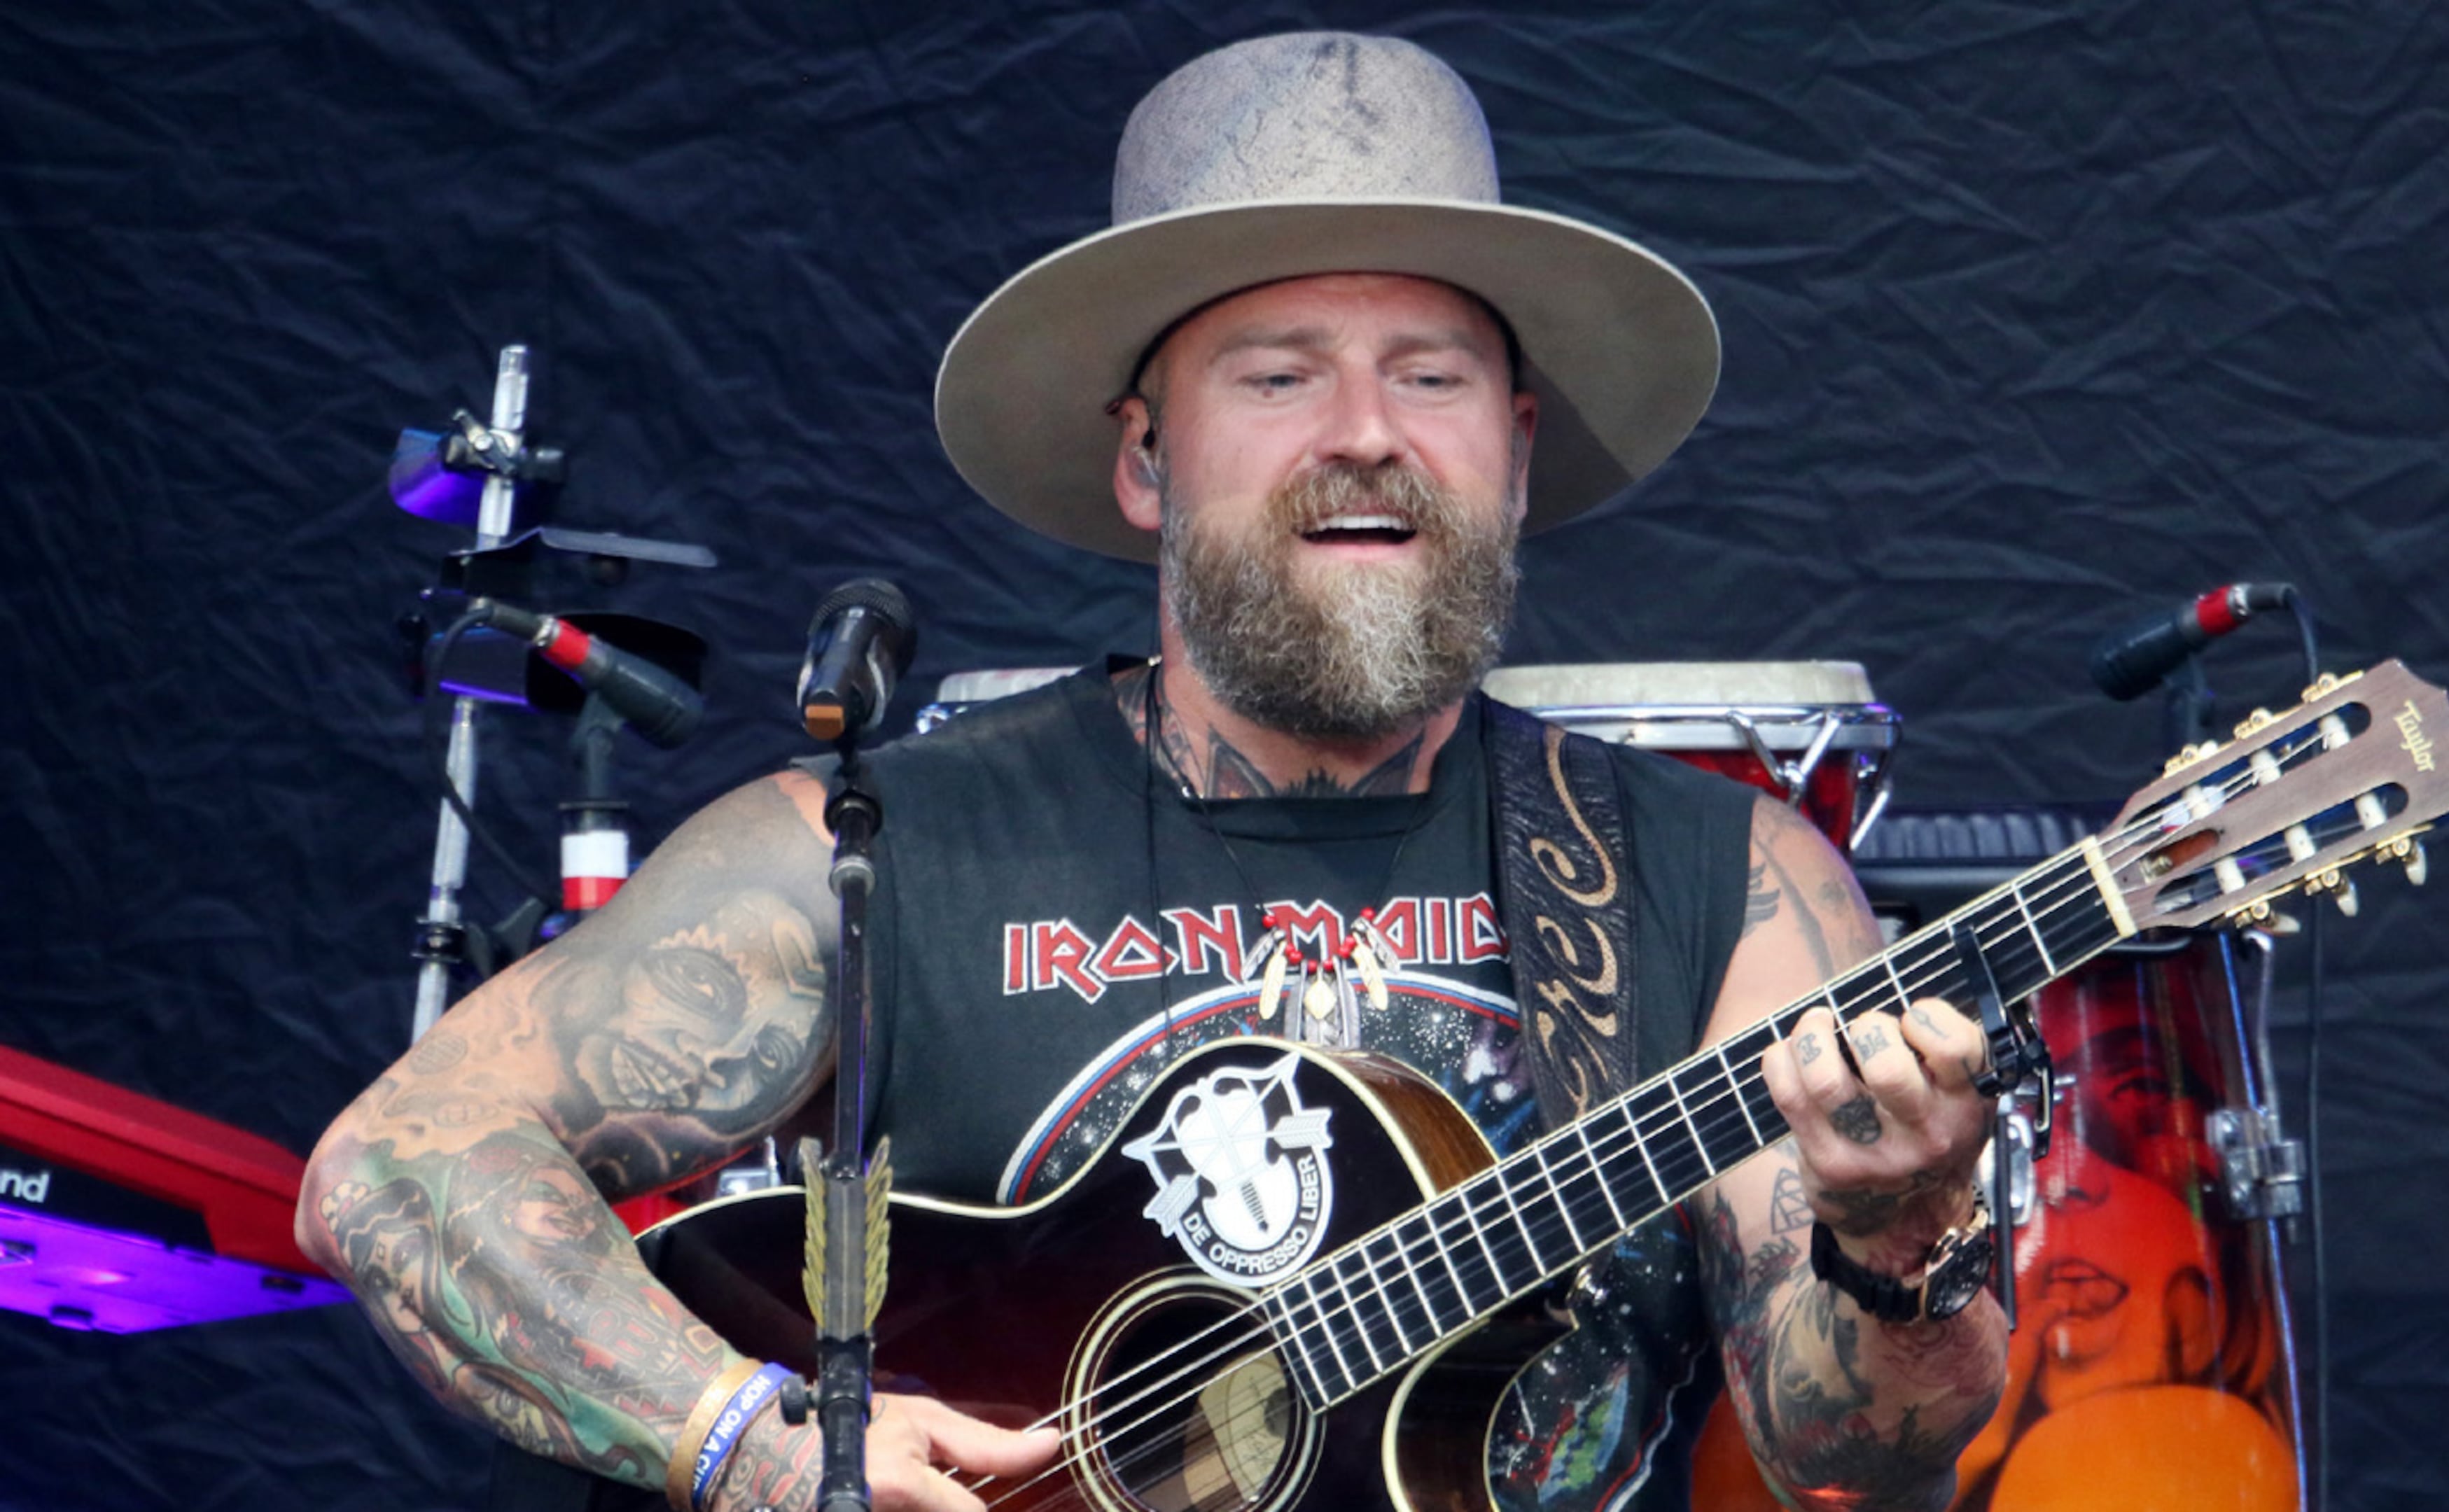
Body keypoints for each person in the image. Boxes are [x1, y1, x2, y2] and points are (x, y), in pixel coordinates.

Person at [299, 32, 2007, 1512]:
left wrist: (1896, 1247)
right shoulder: (884, 846)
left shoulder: (1730, 883)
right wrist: (749, 1443)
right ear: (1144, 457)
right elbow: (400, 1162)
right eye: (1278, 377)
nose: (1365, 433)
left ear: (1515, 447)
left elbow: (1854, 1466)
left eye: (1433, 376)